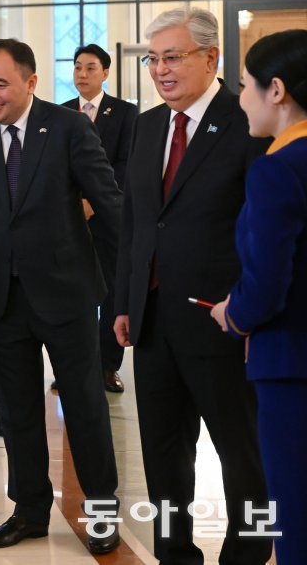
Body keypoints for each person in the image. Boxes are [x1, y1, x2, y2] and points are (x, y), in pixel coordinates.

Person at [0, 38, 122, 555]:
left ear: (31, 82)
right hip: (3, 295)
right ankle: (29, 510)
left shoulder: (68, 127)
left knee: (85, 405)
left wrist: (138, 269)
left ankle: (102, 509)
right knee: (17, 410)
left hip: (65, 293)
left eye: (1, 83)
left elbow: (108, 201)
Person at [114, 7, 271, 565]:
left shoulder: (246, 121)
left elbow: (262, 227)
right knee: (162, 454)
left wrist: (247, 310)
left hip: (220, 319)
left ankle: (248, 555)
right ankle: (175, 553)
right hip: (153, 320)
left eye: (172, 57)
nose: (160, 70)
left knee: (242, 453)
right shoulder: (149, 124)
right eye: (153, 59)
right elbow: (136, 221)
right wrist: (126, 301)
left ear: (211, 58)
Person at [210, 29, 307, 565]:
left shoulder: (278, 168)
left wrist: (236, 314)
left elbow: (268, 281)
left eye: (244, 84)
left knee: (294, 513)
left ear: (277, 90)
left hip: (291, 363)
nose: (240, 96)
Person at [58, 43, 137, 394]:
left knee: (109, 292)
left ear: (105, 72)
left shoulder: (124, 113)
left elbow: (125, 164)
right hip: (67, 219)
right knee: (73, 296)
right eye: (77, 67)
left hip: (107, 219)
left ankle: (107, 366)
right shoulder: (58, 114)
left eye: (90, 68)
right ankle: (72, 369)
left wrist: (94, 200)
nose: (82, 74)